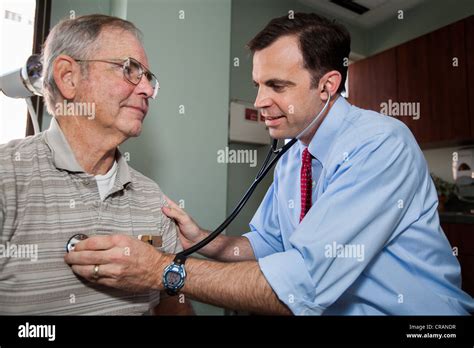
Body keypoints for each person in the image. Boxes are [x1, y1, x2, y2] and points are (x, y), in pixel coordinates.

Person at [64, 13, 474, 315]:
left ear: (328, 86)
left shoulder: (380, 145)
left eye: (277, 86)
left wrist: (161, 272)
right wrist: (205, 239)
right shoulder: (293, 154)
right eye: (258, 84)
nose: (260, 101)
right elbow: (266, 245)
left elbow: (302, 282)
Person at [0, 14, 192, 315]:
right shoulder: (6, 178)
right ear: (68, 77)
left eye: (148, 78)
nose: (147, 90)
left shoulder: (151, 198)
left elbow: (174, 301)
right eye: (129, 69)